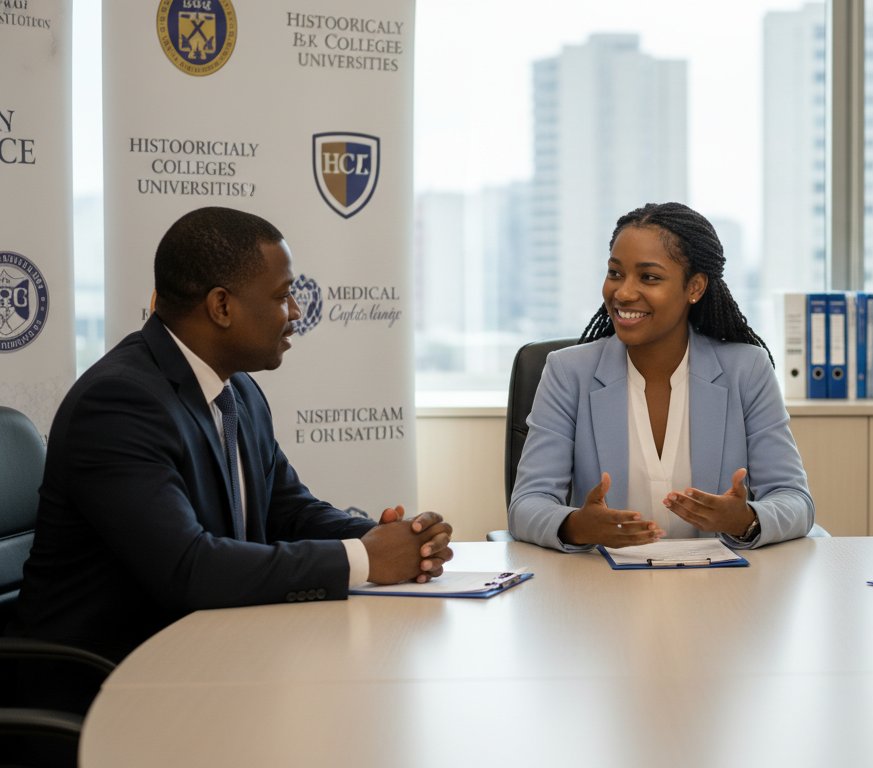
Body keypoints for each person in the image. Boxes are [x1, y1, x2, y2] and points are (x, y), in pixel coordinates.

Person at [10, 207, 455, 714]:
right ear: (221, 306)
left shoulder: (237, 388)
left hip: (204, 663)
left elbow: (288, 510)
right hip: (105, 688)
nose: (296, 311)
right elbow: (187, 568)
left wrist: (384, 537)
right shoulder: (117, 402)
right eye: (282, 294)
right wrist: (367, 559)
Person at [508, 202, 814, 552]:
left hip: (719, 587)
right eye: (615, 273)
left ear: (694, 287)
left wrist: (745, 519)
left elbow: (795, 500)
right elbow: (526, 505)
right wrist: (577, 525)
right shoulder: (568, 373)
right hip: (603, 587)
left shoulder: (747, 370)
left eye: (649, 277)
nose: (623, 292)